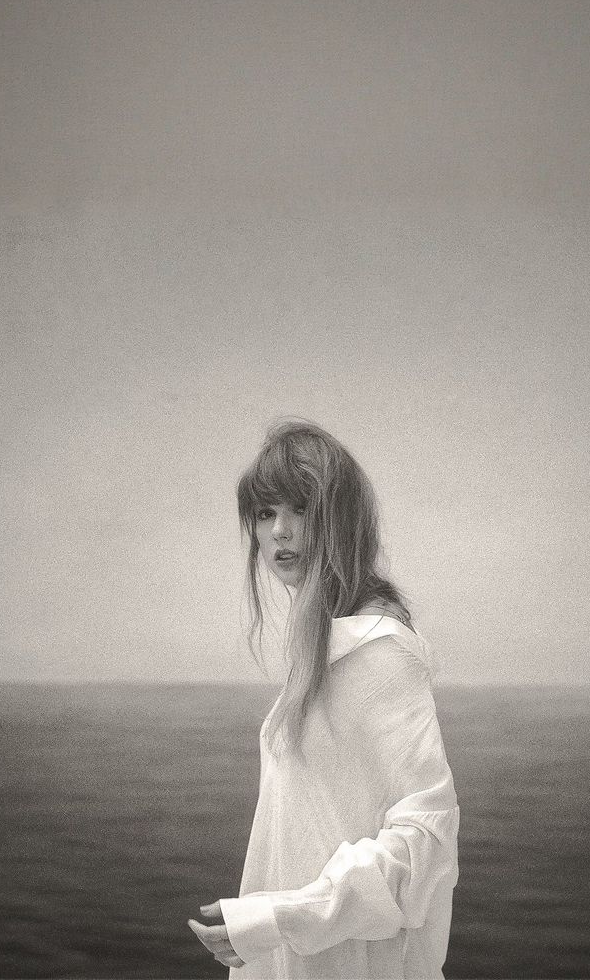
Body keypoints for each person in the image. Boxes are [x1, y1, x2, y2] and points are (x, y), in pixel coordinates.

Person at [188, 419, 459, 979]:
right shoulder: (325, 647)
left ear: (342, 519)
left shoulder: (381, 654)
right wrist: (270, 925)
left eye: (301, 508)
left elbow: (424, 843)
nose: (280, 531)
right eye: (265, 513)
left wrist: (279, 918)